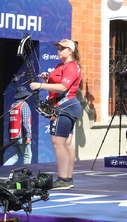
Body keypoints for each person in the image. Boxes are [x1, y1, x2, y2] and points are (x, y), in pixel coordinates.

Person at [30, 39, 82, 190]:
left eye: (62, 49)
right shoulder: (62, 65)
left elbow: (63, 87)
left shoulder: (71, 66)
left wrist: (40, 85)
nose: (59, 51)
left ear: (70, 51)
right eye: (58, 48)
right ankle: (68, 178)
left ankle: (63, 179)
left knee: (57, 142)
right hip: (64, 105)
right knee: (66, 143)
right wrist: (47, 80)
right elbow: (56, 88)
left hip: (65, 106)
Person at [4, 86, 33, 165]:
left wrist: (10, 137)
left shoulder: (13, 105)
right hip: (22, 135)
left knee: (16, 155)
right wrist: (28, 136)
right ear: (25, 96)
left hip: (14, 136)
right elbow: (26, 122)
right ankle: (26, 174)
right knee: (27, 156)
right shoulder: (24, 105)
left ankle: (2, 170)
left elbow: (11, 122)